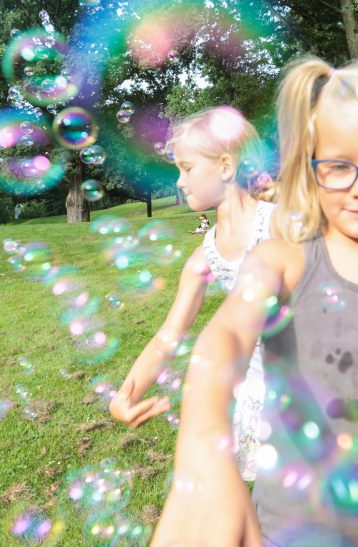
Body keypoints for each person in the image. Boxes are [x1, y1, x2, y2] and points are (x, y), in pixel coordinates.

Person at [153, 57, 358, 546]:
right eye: (339, 166)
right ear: (311, 168)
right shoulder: (280, 263)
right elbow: (224, 338)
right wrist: (201, 450)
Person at [109, 105, 276, 482]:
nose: (180, 182)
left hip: (310, 386)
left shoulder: (279, 224)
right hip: (258, 395)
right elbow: (168, 337)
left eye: (187, 168)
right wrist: (126, 393)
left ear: (225, 167)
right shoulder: (205, 256)